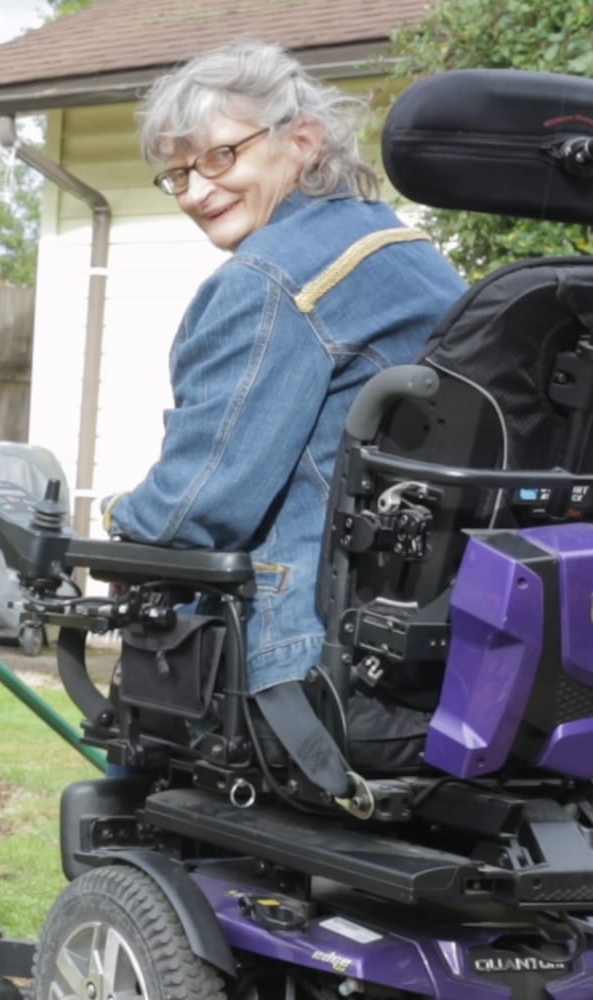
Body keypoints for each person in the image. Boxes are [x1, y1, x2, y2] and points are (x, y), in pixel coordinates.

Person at [100, 41, 466, 793]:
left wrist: (115, 520)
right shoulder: (413, 257)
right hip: (440, 662)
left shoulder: (270, 281)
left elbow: (196, 509)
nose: (197, 191)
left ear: (301, 141)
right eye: (177, 174)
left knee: (129, 738)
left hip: (303, 672)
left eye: (219, 157)